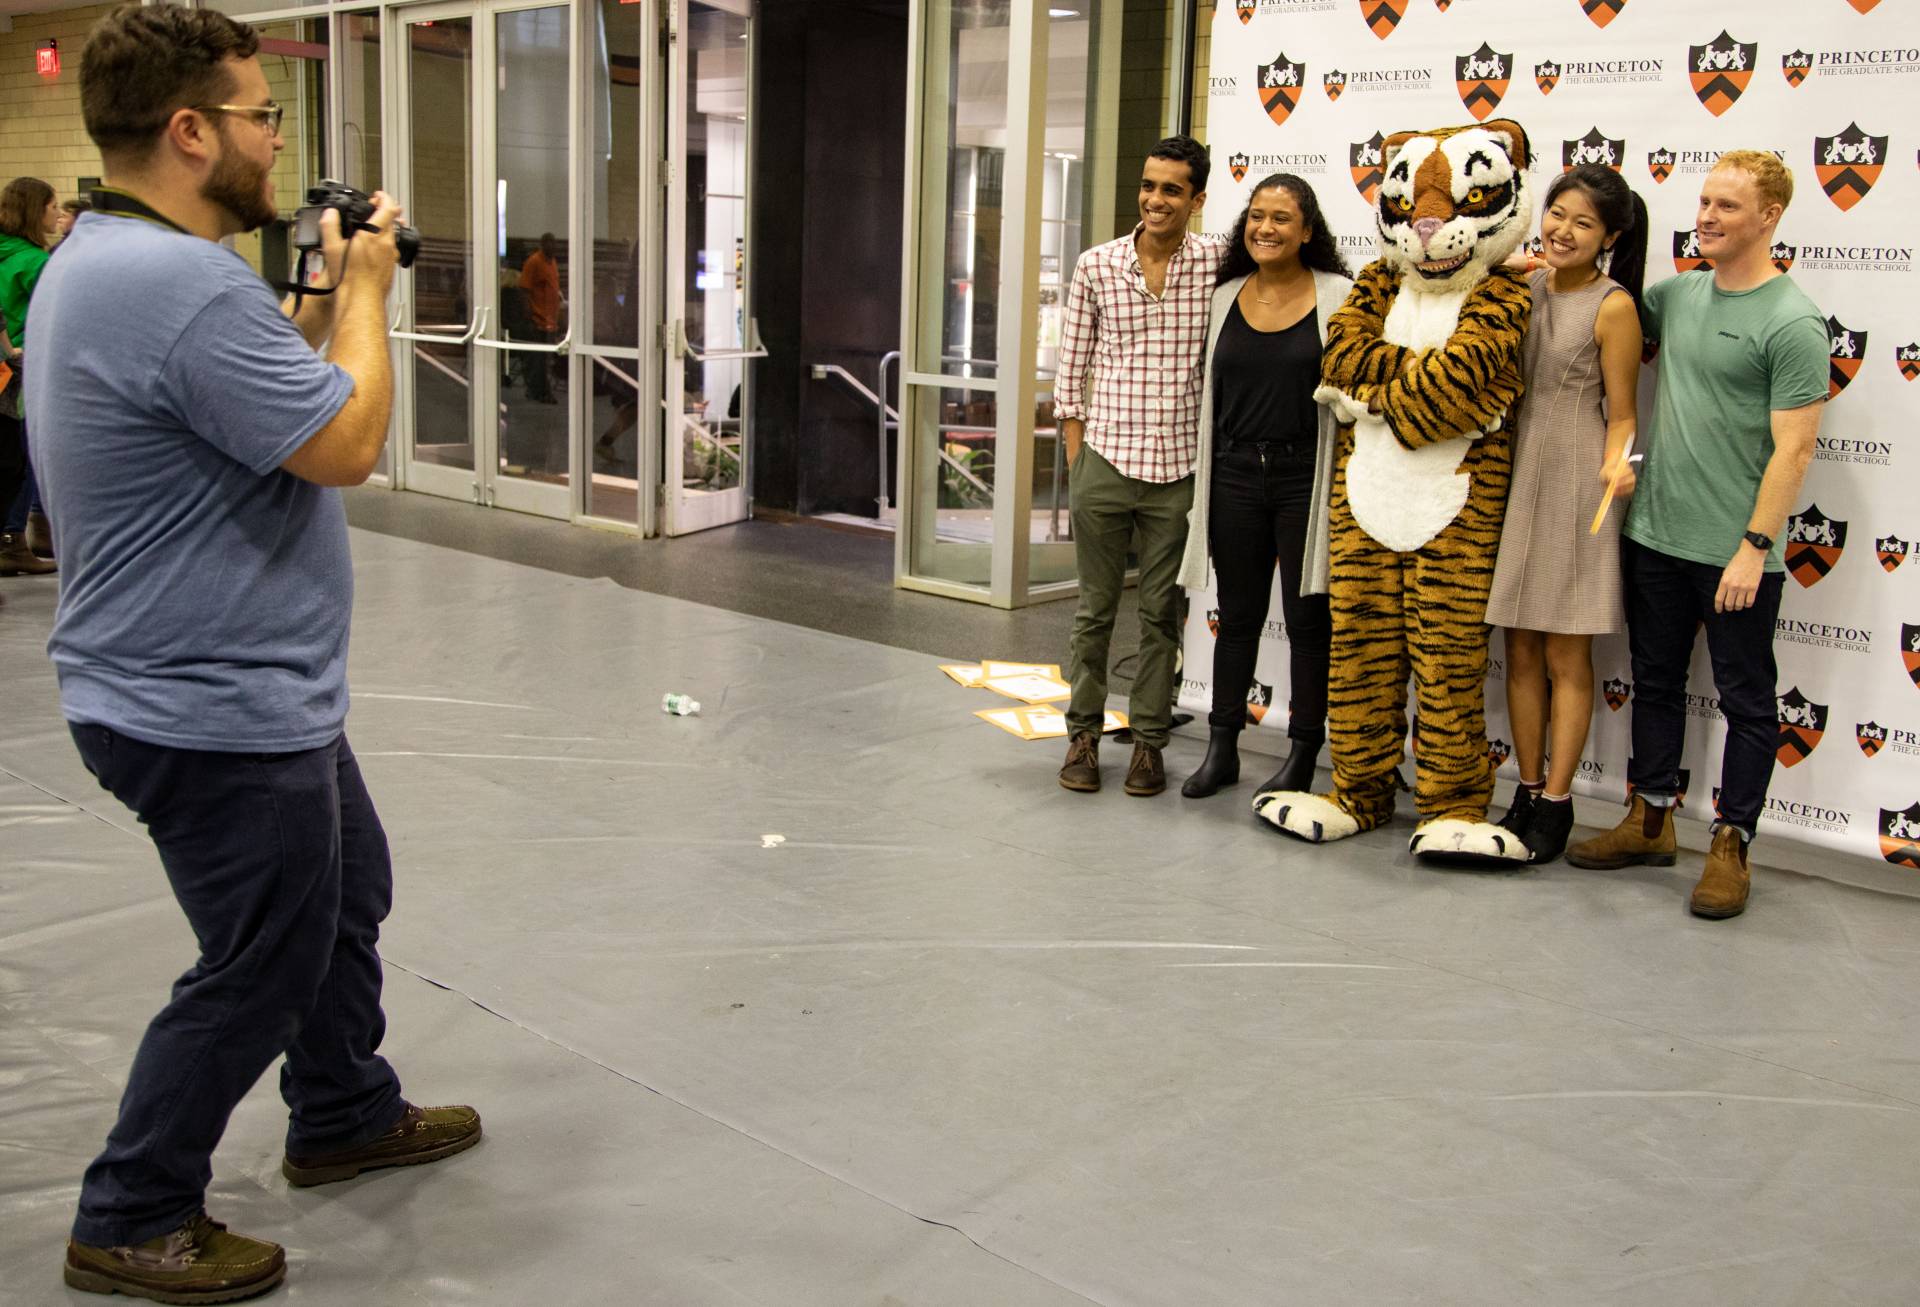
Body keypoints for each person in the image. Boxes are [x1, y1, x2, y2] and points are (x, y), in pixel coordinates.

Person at [35, 7, 479, 1301]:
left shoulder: (112, 255)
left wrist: (317, 296)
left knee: (347, 893)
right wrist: (370, 294)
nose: (276, 140)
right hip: (204, 701)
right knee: (263, 959)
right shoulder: (177, 283)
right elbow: (341, 443)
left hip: (232, 686)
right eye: (260, 115)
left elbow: (253, 394)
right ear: (191, 131)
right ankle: (132, 1207)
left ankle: (343, 1105)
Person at [1565, 151, 1828, 919]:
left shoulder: (1793, 321)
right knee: (1654, 682)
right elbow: (1600, 313)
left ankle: (1732, 843)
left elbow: (1795, 450)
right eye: (1705, 201)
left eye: (1727, 206)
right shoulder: (1676, 296)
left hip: (1737, 553)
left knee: (1748, 702)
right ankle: (1650, 820)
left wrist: (1755, 546)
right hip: (1655, 536)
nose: (1706, 216)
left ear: (1769, 217)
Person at [1054, 135, 1228, 797]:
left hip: (1179, 473)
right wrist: (1079, 460)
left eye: (1172, 190)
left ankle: (1149, 744)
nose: (1156, 199)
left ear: (1197, 199)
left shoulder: (1217, 263)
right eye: (1149, 185)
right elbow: (1070, 371)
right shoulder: (1097, 266)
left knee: (1160, 615)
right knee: (1094, 612)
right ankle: (1083, 736)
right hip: (1104, 461)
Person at [1486, 164, 1648, 864]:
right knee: (1517, 645)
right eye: (1557, 213)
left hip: (1578, 477)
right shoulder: (1525, 284)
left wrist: (1619, 464)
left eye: (1584, 223)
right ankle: (1525, 789)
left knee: (1564, 651)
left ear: (1609, 237)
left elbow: (1624, 414)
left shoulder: (1614, 306)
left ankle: (1558, 801)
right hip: (1514, 470)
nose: (1563, 230)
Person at [1175, 173, 1350, 799]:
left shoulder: (1339, 295)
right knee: (1237, 616)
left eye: (1281, 218)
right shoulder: (1224, 296)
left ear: (1307, 232)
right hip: (1234, 473)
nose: (1265, 228)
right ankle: (1222, 747)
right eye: (1256, 216)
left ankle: (1303, 753)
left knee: (1308, 621)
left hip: (1306, 476)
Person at [0, 175, 60, 577]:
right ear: (36, 211)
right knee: (21, 456)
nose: (58, 213)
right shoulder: (36, 262)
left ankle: (33, 527)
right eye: (53, 206)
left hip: (4, 368)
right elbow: (51, 316)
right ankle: (12, 537)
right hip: (23, 367)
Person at [517, 231, 562, 402]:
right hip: (537, 319)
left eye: (554, 243)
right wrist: (528, 315)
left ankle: (541, 390)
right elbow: (524, 289)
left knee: (546, 360)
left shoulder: (553, 263)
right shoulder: (534, 262)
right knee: (537, 360)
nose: (553, 246)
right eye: (549, 243)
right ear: (543, 244)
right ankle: (538, 391)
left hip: (550, 320)